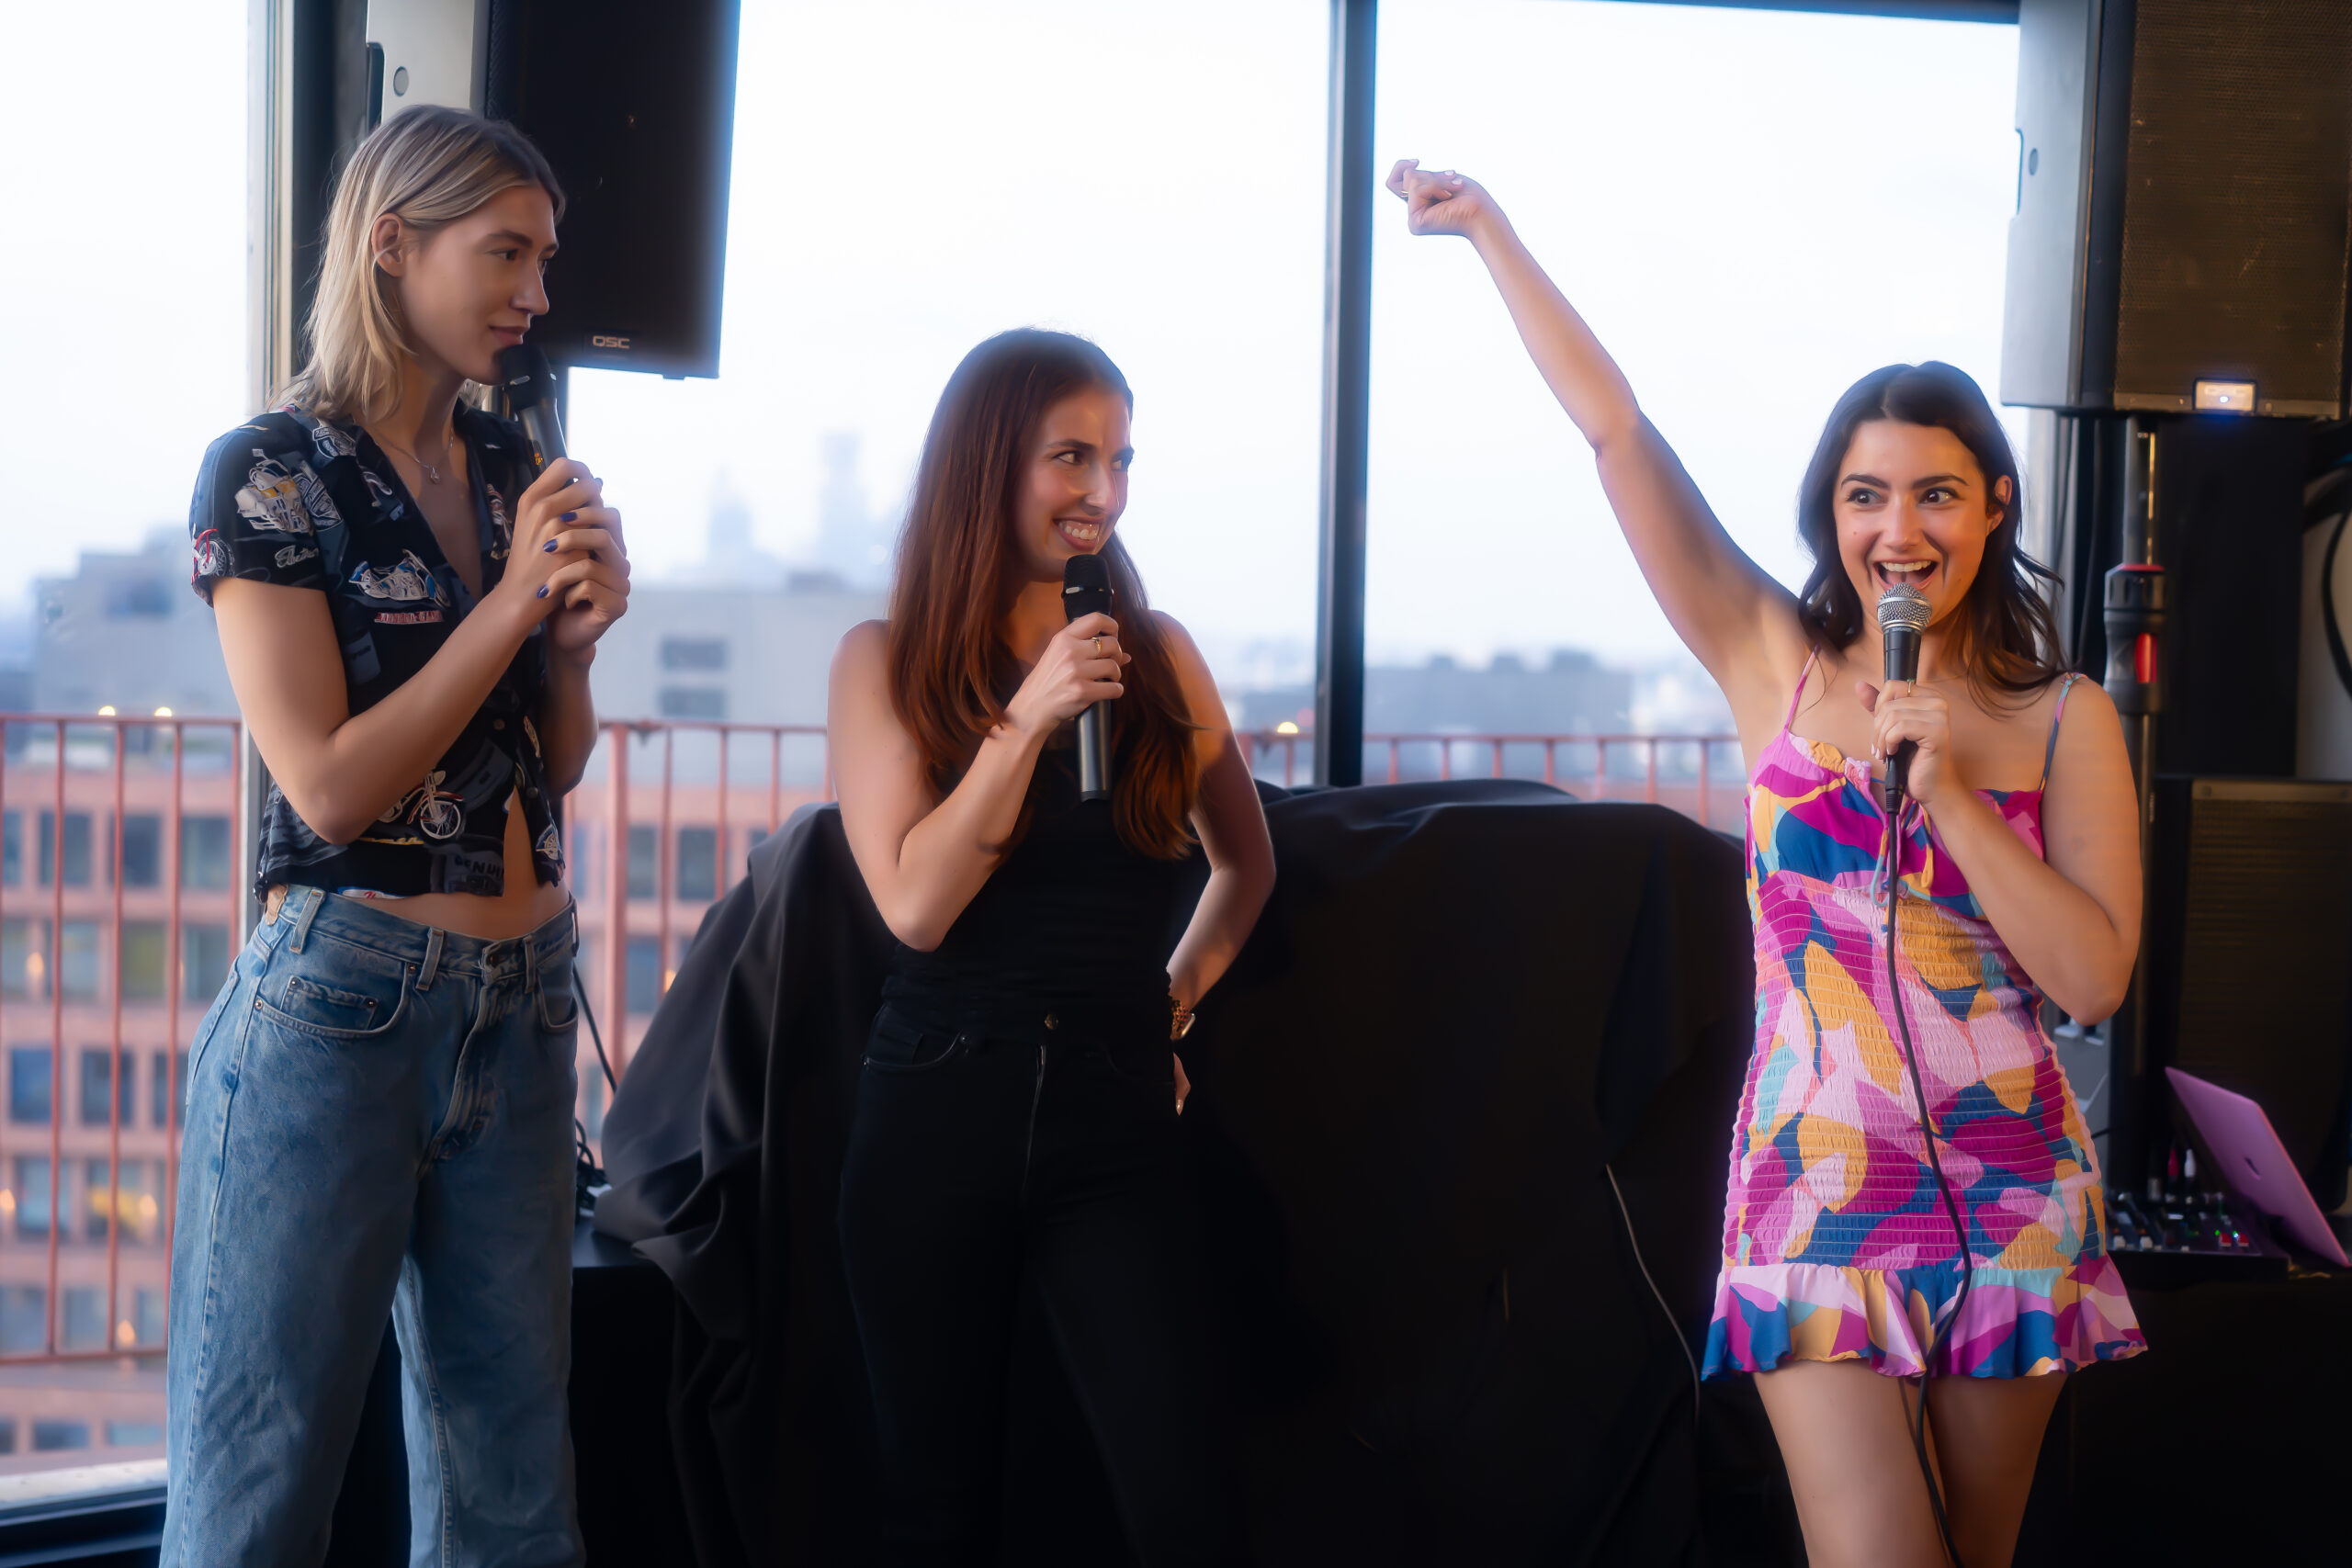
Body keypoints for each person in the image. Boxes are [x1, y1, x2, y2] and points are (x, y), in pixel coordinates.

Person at [1386, 161, 2144, 1568]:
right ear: (1832, 513)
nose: (1897, 531)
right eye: (1866, 497)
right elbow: (1620, 439)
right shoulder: (1772, 664)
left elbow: (2092, 977)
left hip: (2014, 1187)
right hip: (1817, 1179)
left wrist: (1958, 799)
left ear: (1992, 505)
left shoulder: (2067, 718)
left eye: (1932, 495)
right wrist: (1492, 235)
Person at [167, 107, 628, 1565]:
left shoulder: (508, 469)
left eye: (544, 259)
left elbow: (548, 767)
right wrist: (508, 611)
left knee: (511, 1479)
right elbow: (327, 788)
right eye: (506, 252)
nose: (536, 293)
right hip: (341, 1006)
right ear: (392, 246)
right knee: (262, 1479)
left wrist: (576, 651)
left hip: (523, 994)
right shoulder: (267, 474)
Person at [828, 329, 1275, 1564]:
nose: (1105, 492)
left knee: (1185, 1497)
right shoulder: (885, 660)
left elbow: (1245, 866)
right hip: (934, 1105)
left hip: (1114, 1112)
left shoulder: (1159, 651)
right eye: (1071, 456)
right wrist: (1024, 723)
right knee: (939, 1508)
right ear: (988, 463)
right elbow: (914, 906)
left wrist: (1168, 1004)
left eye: (1121, 459)